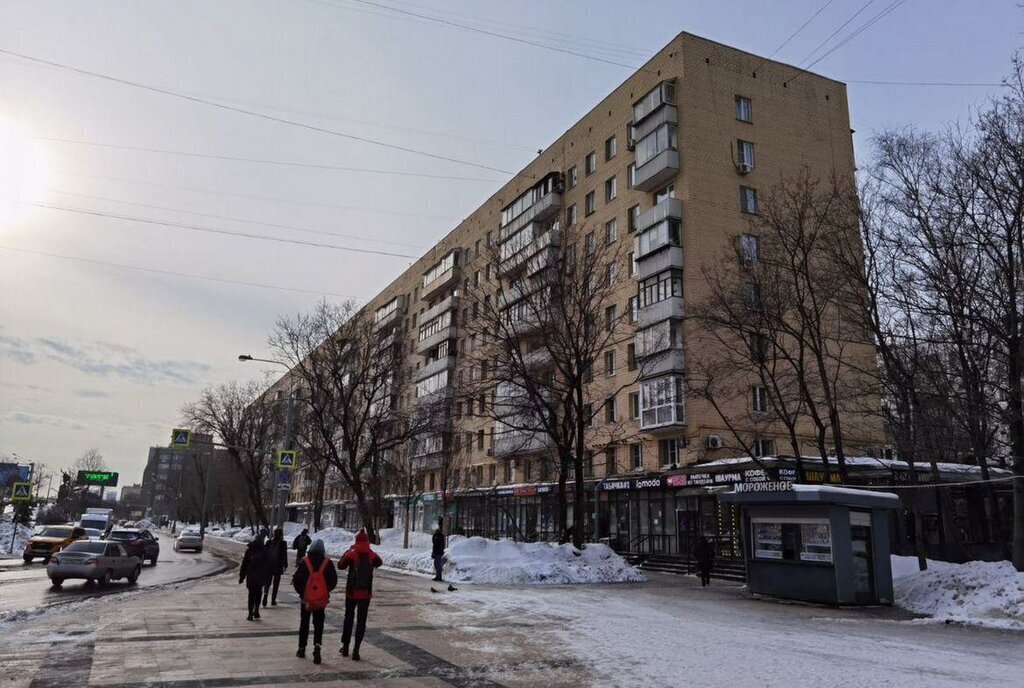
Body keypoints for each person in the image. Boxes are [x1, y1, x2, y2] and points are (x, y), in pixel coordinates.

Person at [337, 529, 382, 661]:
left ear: (356, 541)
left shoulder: (352, 554)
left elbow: (340, 565)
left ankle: (345, 647)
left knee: (348, 619)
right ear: (367, 541)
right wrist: (370, 551)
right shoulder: (371, 555)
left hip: (351, 593)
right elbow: (379, 563)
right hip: (365, 594)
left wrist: (348, 551)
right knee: (361, 621)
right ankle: (356, 649)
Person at [292, 538, 337, 664]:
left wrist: (303, 593)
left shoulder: (304, 562)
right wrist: (324, 591)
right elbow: (333, 581)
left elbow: (296, 580)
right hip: (320, 600)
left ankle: (301, 648)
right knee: (319, 624)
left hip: (306, 600)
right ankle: (317, 646)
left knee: (304, 623)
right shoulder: (327, 563)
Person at [239, 531, 272, 620]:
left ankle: (250, 614)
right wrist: (267, 577)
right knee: (258, 593)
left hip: (251, 576)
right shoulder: (264, 550)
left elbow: (244, 564)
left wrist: (241, 577)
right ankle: (256, 610)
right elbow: (268, 564)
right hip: (260, 576)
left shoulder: (249, 550)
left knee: (251, 595)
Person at [264, 527, 289, 606]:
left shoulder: (269, 542)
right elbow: (284, 555)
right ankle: (273, 600)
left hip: (269, 565)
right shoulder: (283, 543)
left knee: (267, 582)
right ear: (281, 535)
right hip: (277, 566)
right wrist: (285, 565)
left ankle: (265, 594)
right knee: (276, 583)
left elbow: (265, 553)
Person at [431, 518, 445, 582]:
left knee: (438, 564)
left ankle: (439, 576)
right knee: (436, 564)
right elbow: (434, 543)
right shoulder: (435, 536)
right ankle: (437, 576)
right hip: (436, 552)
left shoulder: (440, 536)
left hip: (438, 552)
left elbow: (438, 544)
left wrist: (439, 551)